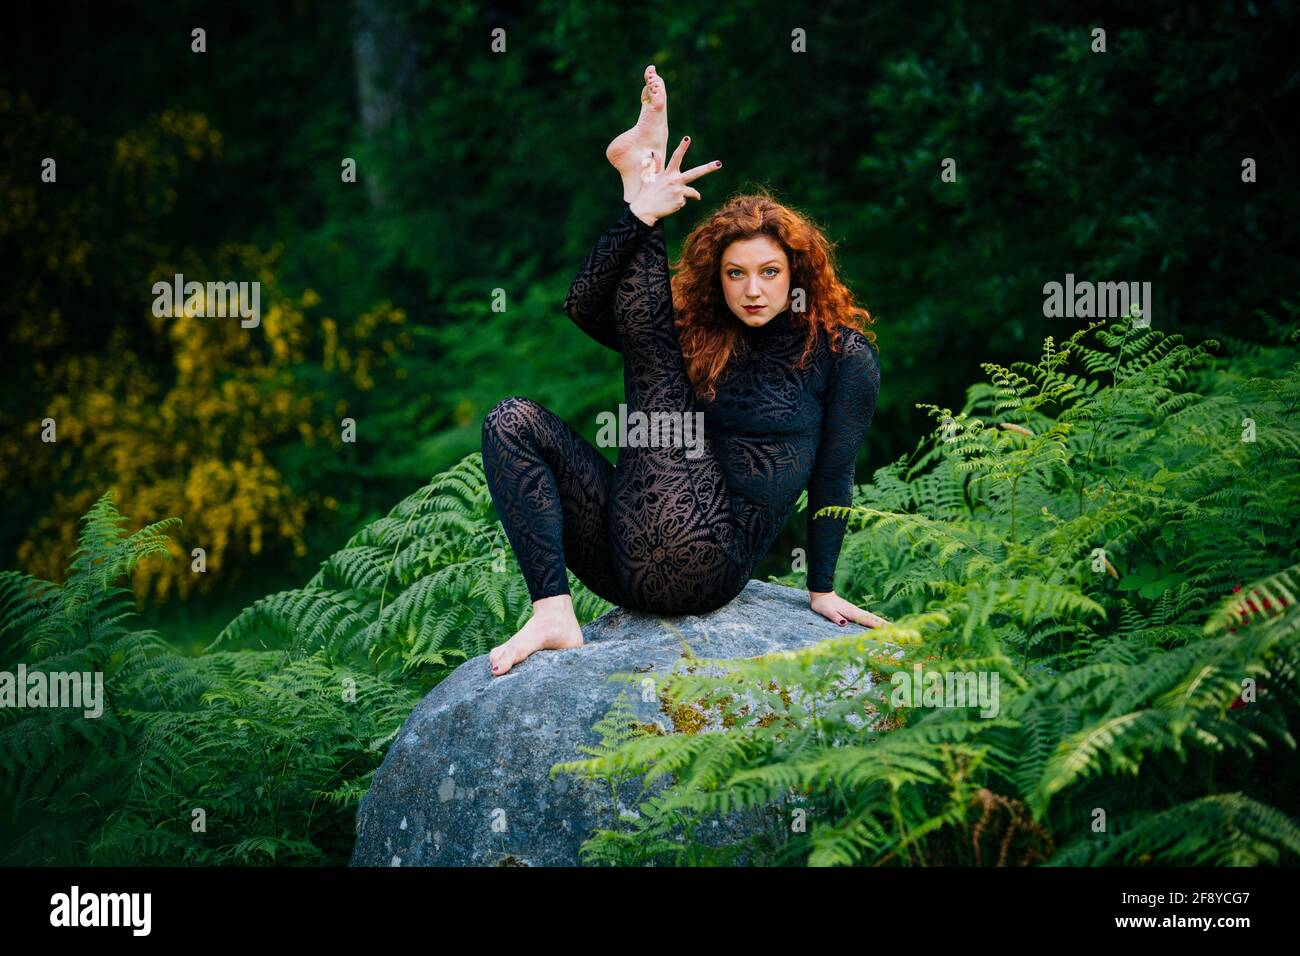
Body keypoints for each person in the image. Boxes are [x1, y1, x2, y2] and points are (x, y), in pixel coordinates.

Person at [482, 66, 884, 676]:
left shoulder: (839, 354)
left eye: (769, 273)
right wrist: (637, 223)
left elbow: (835, 477)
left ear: (797, 276)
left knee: (657, 368)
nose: (752, 290)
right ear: (717, 278)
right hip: (626, 556)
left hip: (707, 564)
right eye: (735, 273)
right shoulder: (702, 337)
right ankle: (553, 612)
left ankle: (638, 179)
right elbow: (583, 304)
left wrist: (821, 588)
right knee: (511, 420)